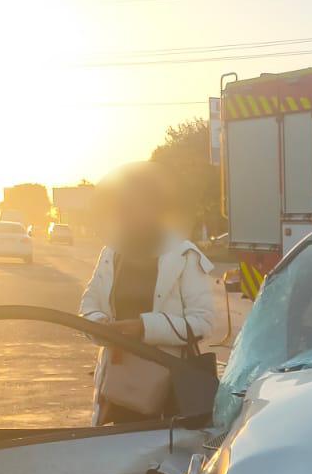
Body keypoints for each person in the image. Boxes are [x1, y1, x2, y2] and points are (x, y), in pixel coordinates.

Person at [79, 162, 217, 424]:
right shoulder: (111, 255)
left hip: (169, 393)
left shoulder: (184, 255)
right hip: (118, 387)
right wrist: (102, 326)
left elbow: (204, 322)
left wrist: (143, 328)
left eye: (141, 204)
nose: (131, 212)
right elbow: (88, 307)